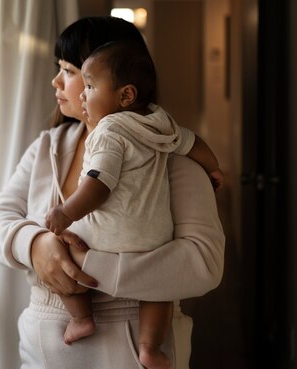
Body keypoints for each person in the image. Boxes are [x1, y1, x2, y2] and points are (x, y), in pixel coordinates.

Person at [0, 16, 225, 369]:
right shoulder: (46, 146)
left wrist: (84, 266)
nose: (56, 81)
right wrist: (36, 247)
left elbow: (204, 262)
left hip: (130, 347)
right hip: (41, 347)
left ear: (120, 85)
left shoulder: (166, 152)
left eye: (68, 70)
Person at [44, 39, 224, 369]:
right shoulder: (160, 121)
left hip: (106, 238)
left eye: (89, 85)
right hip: (154, 236)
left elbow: (98, 186)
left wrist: (65, 212)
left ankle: (81, 318)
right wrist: (213, 168)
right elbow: (192, 142)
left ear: (125, 95)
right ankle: (149, 348)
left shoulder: (109, 130)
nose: (83, 94)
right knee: (159, 290)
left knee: (59, 248)